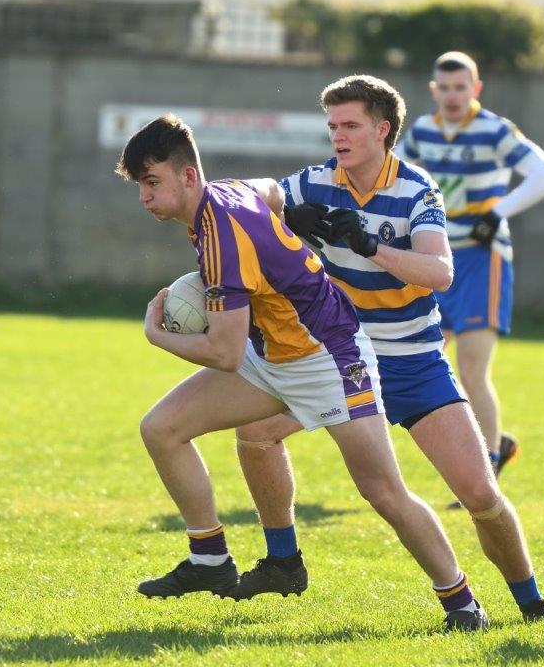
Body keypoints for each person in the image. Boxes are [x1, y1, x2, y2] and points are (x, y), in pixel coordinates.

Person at [116, 113, 486, 631]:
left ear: (188, 176)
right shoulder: (229, 192)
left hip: (330, 357)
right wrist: (288, 212)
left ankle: (462, 601)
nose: (145, 198)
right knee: (162, 428)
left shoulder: (221, 233)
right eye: (140, 186)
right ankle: (210, 558)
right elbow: (268, 189)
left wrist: (159, 336)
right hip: (272, 355)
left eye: (151, 183)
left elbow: (223, 352)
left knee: (382, 491)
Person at [234, 74, 544, 624]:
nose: (337, 136)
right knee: (256, 435)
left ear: (383, 130)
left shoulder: (416, 190)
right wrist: (280, 209)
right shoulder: (317, 182)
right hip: (338, 358)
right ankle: (283, 558)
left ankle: (532, 604)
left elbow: (439, 271)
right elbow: (253, 192)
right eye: (332, 126)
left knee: (480, 494)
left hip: (412, 360)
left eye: (351, 126)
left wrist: (368, 243)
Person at [396, 51, 544, 479]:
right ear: (433, 90)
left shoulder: (493, 130)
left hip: (481, 258)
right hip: (434, 260)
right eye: (444, 88)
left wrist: (498, 212)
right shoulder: (421, 133)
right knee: (427, 360)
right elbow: (392, 175)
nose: (453, 95)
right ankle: (492, 446)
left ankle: (486, 468)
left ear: (476, 88)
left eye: (461, 87)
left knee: (472, 366)